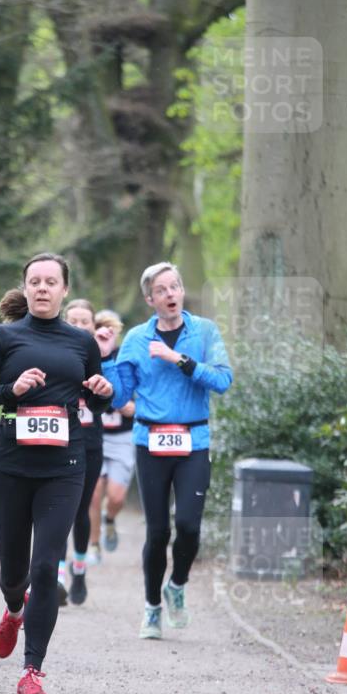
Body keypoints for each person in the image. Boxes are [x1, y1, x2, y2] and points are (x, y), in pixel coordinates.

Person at [0, 253, 113, 694]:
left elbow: (96, 401)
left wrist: (104, 393)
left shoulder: (81, 342)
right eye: (35, 281)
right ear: (25, 288)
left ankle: (32, 674)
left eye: (51, 282)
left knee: (47, 566)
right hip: (10, 465)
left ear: (65, 290)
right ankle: (15, 609)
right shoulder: (5, 336)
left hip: (64, 466)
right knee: (15, 574)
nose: (43, 288)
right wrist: (11, 391)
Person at [97, 262, 232, 640]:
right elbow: (119, 397)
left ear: (182, 291)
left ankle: (177, 584)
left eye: (175, 286)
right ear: (150, 300)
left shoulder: (204, 331)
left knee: (188, 526)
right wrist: (106, 358)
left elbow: (223, 379)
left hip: (193, 441)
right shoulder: (136, 339)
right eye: (161, 290)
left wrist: (181, 361)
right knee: (157, 533)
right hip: (150, 442)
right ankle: (152, 608)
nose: (170, 294)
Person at [56, 299, 104, 607]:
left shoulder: (102, 358)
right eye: (72, 320)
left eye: (84, 321)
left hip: (90, 444)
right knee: (59, 509)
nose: (78, 326)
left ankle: (80, 570)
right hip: (60, 441)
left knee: (81, 509)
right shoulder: (55, 354)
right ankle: (58, 577)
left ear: (94, 326)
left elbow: (113, 396)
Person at [88, 309, 136, 562]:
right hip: (97, 436)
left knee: (116, 497)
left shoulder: (126, 358)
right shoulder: (87, 356)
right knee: (94, 494)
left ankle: (110, 519)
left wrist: (133, 407)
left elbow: (141, 393)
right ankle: (94, 544)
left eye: (112, 329)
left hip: (123, 437)